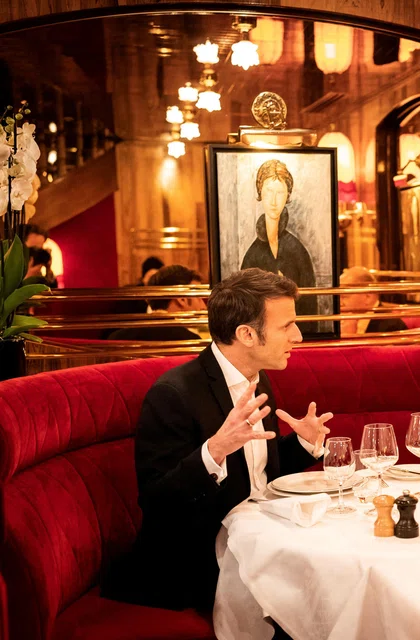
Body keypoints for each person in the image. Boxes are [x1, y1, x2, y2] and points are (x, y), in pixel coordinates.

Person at [102, 268, 333, 612]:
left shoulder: (257, 378)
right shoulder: (174, 394)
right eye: (286, 326)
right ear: (246, 335)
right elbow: (157, 502)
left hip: (260, 540)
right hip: (196, 562)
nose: (298, 336)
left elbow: (256, 473)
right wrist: (214, 451)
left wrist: (302, 444)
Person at [241, 159, 318, 321]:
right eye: (268, 191)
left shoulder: (298, 251)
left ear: (288, 195)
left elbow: (310, 308)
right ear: (260, 192)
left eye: (280, 192)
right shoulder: (252, 254)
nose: (274, 201)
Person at [108, 265, 206, 341]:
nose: (204, 306)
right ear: (182, 299)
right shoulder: (191, 342)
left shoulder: (117, 337)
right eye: (199, 298)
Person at [338, 266, 407, 335]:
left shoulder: (392, 326)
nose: (339, 303)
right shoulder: (338, 320)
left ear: (368, 297)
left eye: (344, 297)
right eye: (338, 297)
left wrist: (350, 336)